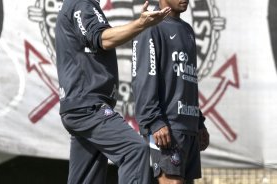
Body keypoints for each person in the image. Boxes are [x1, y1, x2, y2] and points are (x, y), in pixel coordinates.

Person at [55, 0, 171, 183]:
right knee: (135, 150)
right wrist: (141, 24)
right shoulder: (81, 3)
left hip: (81, 107)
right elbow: (103, 38)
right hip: (88, 107)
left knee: (87, 178)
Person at [131, 0, 209, 183]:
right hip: (166, 127)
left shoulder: (187, 30)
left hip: (187, 125)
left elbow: (187, 81)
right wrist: (154, 121)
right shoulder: (150, 27)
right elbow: (143, 79)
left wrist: (199, 122)